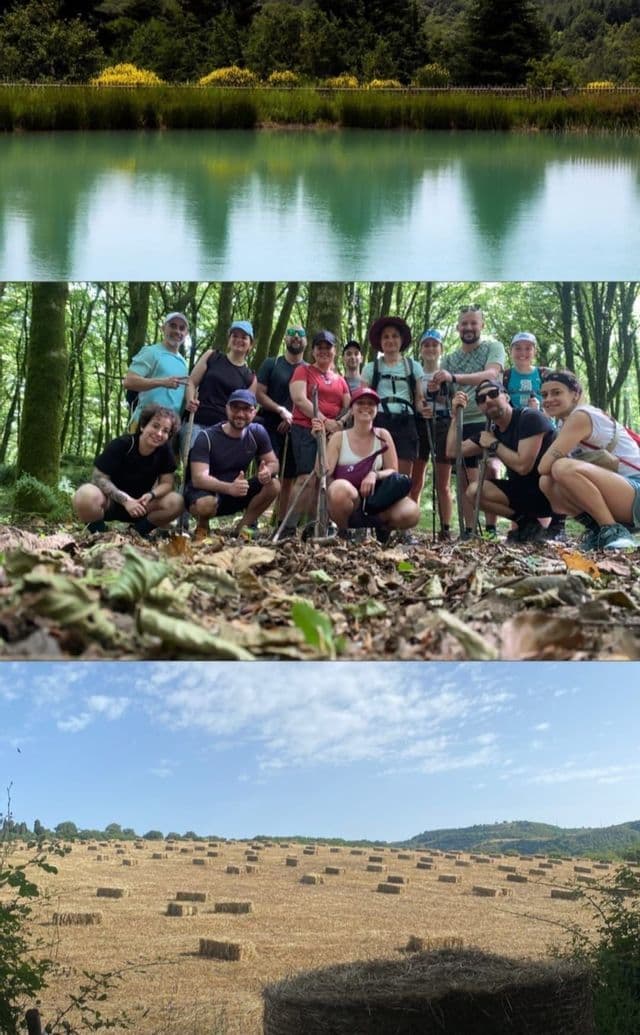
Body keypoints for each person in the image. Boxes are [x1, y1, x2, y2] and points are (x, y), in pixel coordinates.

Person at [538, 370, 640, 551]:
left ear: (575, 394)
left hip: (636, 489)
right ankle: (600, 531)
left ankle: (613, 530)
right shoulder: (564, 423)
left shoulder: (581, 416)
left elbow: (544, 465)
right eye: (544, 394)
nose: (548, 399)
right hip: (624, 493)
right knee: (547, 482)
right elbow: (545, 473)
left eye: (557, 392)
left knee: (562, 468)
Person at [446, 379, 558, 542]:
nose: (488, 400)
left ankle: (559, 526)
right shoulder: (491, 431)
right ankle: (527, 524)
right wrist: (455, 416)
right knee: (474, 491)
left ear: (506, 396)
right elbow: (452, 451)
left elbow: (523, 467)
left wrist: (494, 444)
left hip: (553, 495)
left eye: (493, 394)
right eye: (482, 399)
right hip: (525, 495)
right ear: (479, 407)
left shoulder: (529, 418)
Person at [431, 305, 506, 537]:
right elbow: (445, 393)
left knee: (491, 471)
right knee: (465, 478)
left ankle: (491, 528)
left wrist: (454, 377)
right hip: (462, 421)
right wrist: (435, 391)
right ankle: (469, 530)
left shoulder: (493, 347)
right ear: (458, 327)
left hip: (489, 419)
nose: (469, 328)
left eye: (474, 323)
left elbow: (491, 375)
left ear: (482, 325)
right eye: (464, 324)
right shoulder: (450, 358)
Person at [325, 386, 420, 542]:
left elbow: (393, 471)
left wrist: (374, 474)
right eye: (360, 403)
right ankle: (345, 532)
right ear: (352, 409)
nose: (366, 407)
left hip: (377, 501)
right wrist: (321, 439)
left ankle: (383, 529)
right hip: (348, 503)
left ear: (376, 409)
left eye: (371, 404)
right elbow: (324, 473)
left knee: (411, 512)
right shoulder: (339, 437)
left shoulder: (382, 435)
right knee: (339, 489)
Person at [73, 405, 184, 536]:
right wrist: (126, 500)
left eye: (165, 431)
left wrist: (151, 494)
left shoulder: (165, 451)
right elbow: (98, 478)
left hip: (143, 505)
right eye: (155, 426)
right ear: (143, 426)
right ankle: (99, 534)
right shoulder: (122, 444)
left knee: (177, 501)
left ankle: (138, 532)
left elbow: (167, 483)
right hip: (111, 503)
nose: (159, 433)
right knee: (85, 494)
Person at [185, 389, 280, 541]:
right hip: (207, 494)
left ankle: (243, 528)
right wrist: (229, 488)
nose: (240, 414)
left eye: (246, 409)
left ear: (254, 412)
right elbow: (198, 478)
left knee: (274, 484)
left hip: (237, 492)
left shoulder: (257, 432)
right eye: (236, 408)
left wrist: (268, 471)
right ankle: (202, 526)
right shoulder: (207, 437)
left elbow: (274, 462)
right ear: (227, 408)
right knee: (206, 503)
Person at [284, 330, 351, 533]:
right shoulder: (303, 371)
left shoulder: (340, 380)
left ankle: (314, 527)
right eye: (319, 347)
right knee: (306, 478)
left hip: (331, 434)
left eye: (328, 347)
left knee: (324, 479)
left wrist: (338, 423)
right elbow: (299, 399)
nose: (323, 351)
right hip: (306, 429)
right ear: (312, 351)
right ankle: (288, 526)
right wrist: (324, 420)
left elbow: (349, 407)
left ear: (334, 351)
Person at [361, 316, 423, 480]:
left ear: (401, 340)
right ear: (380, 342)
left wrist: (425, 408)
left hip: (406, 423)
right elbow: (362, 400)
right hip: (379, 422)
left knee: (402, 478)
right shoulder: (370, 368)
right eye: (386, 336)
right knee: (375, 473)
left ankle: (402, 506)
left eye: (395, 336)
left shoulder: (413, 367)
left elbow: (419, 399)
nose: (390, 340)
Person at [255, 327, 307, 520]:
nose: (296, 337)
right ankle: (253, 520)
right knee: (266, 473)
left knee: (288, 478)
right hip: (268, 425)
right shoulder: (272, 363)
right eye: (292, 333)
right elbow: (259, 394)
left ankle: (280, 522)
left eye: (301, 334)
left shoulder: (308, 369)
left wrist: (292, 417)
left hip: (296, 428)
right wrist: (280, 410)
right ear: (285, 337)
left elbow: (308, 399)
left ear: (306, 342)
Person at [183, 320, 257, 444]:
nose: (239, 340)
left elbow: (247, 410)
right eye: (235, 336)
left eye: (244, 337)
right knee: (193, 461)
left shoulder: (250, 377)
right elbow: (191, 381)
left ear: (250, 344)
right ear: (229, 340)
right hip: (196, 422)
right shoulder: (212, 356)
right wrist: (190, 400)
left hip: (225, 431)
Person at [411, 328, 453, 538]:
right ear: (421, 349)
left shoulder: (446, 372)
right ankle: (409, 524)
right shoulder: (416, 373)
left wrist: (442, 395)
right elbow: (417, 399)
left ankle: (446, 528)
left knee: (443, 484)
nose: (430, 349)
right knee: (416, 479)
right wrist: (421, 408)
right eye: (426, 345)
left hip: (443, 424)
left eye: (434, 345)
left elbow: (454, 401)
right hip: (421, 424)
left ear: (441, 349)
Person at [122, 312, 194, 429]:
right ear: (163, 328)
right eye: (173, 326)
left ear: (186, 333)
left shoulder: (183, 363)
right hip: (144, 423)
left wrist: (191, 402)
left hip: (168, 428)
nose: (177, 331)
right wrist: (162, 382)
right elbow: (129, 382)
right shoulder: (151, 352)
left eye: (182, 328)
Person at [503, 332, 548, 408]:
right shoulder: (504, 376)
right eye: (518, 348)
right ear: (510, 351)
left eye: (528, 348)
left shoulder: (544, 374)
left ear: (535, 352)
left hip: (540, 418)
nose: (523, 353)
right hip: (514, 419)